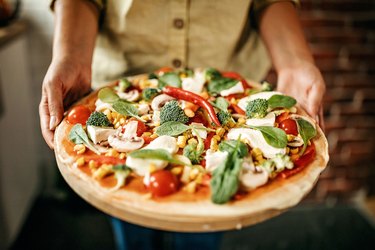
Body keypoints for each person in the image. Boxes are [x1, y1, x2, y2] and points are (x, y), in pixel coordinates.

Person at [39, 0, 326, 249]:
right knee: (133, 225)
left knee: (202, 234)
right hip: (122, 85)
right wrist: (71, 57)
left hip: (228, 91)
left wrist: (294, 64)